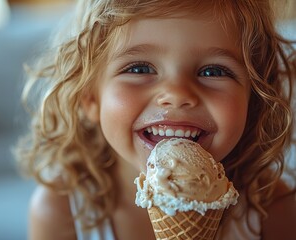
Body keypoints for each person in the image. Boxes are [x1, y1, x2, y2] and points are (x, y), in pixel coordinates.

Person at [15, 0, 296, 239]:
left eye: (213, 71)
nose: (176, 94)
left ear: (254, 98)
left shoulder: (273, 209)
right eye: (139, 68)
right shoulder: (61, 211)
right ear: (90, 97)